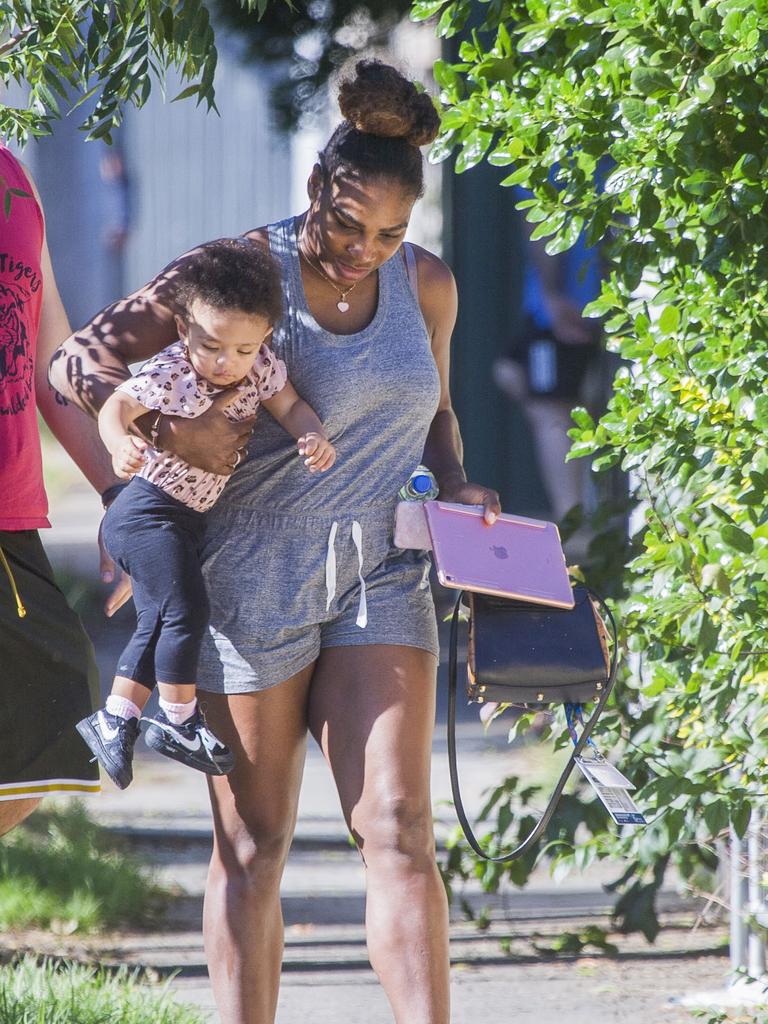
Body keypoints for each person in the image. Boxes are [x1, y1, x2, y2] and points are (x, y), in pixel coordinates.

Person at [50, 59, 500, 1024]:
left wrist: (458, 481)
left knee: (399, 827)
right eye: (345, 226)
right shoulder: (238, 269)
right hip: (246, 580)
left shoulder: (427, 287)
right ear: (313, 192)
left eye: (388, 234)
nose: (363, 251)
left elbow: (438, 414)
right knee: (254, 845)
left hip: (384, 570)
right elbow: (75, 362)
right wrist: (158, 443)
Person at [76, 240, 336, 789]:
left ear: (263, 338)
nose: (226, 364)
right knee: (188, 609)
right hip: (146, 513)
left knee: (159, 619)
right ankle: (178, 720)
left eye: (242, 349)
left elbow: (289, 405)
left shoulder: (260, 368)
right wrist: (119, 441)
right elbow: (117, 406)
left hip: (186, 520)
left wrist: (310, 433)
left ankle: (114, 718)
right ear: (184, 334)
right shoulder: (173, 373)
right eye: (211, 346)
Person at [0, 141, 126, 834]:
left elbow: (53, 361)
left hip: (9, 516)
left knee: (58, 709)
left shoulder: (15, 177)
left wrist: (119, 494)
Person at [494, 195, 604, 525]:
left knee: (551, 408)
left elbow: (541, 226)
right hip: (565, 307)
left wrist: (553, 297)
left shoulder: (551, 155)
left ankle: (572, 520)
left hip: (566, 310)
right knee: (509, 371)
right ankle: (576, 516)